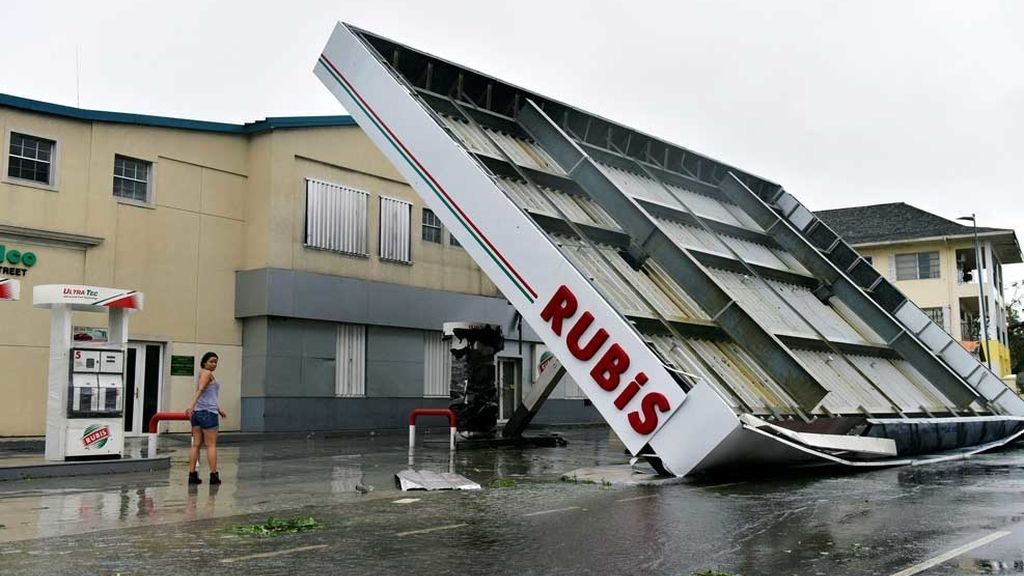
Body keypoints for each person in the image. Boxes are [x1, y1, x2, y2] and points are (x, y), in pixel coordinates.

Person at [185, 352, 226, 485]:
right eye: (211, 361)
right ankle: (214, 476)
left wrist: (219, 409)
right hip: (208, 414)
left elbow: (209, 395)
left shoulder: (202, 374)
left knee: (196, 444)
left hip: (198, 414)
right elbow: (201, 390)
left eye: (216, 362)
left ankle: (192, 475)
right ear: (204, 362)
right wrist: (191, 405)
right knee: (211, 445)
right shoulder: (207, 373)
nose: (214, 364)